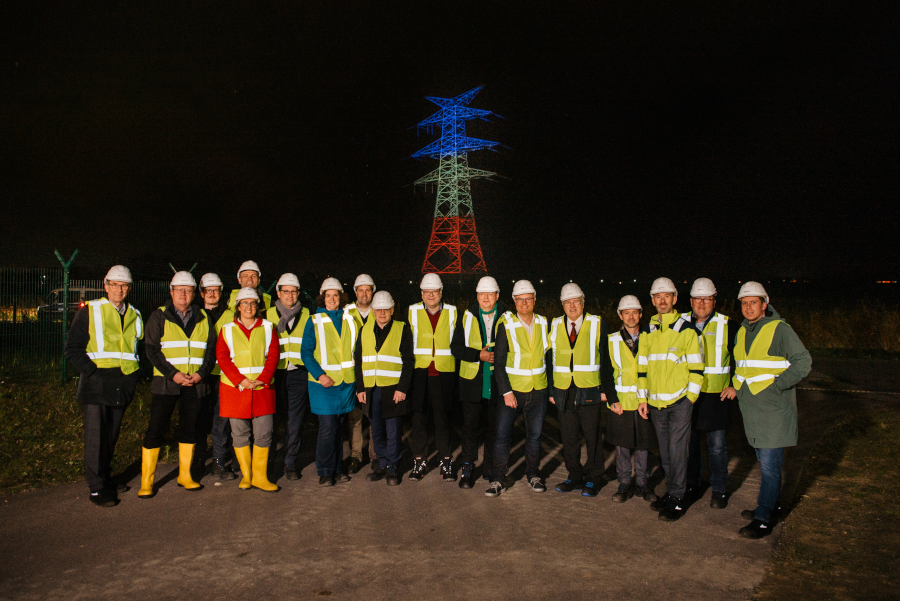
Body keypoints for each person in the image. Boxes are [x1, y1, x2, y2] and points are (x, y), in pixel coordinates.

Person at [734, 282, 811, 539]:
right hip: (754, 411)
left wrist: (778, 386)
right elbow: (744, 367)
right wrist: (735, 387)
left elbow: (803, 362)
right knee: (765, 463)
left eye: (753, 302)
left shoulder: (779, 329)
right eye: (744, 303)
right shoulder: (744, 331)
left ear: (764, 304)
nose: (748, 307)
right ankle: (772, 505)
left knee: (769, 466)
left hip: (774, 412)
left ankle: (764, 518)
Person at [64, 265, 143, 507]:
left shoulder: (135, 314)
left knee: (110, 436)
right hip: (97, 382)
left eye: (124, 285)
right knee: (96, 438)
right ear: (105, 286)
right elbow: (72, 349)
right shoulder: (91, 310)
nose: (119, 289)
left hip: (122, 381)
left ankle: (105, 477)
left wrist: (132, 378)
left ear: (129, 288)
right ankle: (97, 488)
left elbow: (134, 350)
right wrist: (91, 372)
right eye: (114, 284)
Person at [138, 272, 217, 498]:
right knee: (156, 430)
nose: (183, 294)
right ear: (171, 292)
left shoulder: (203, 317)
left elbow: (210, 351)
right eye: (179, 290)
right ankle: (147, 482)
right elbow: (151, 350)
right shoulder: (158, 316)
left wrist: (201, 374)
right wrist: (173, 374)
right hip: (166, 383)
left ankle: (185, 475)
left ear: (194, 293)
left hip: (194, 383)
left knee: (189, 429)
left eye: (188, 290)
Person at [637, 277, 704, 521]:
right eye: (658, 296)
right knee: (665, 451)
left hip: (679, 404)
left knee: (678, 451)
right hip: (656, 405)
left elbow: (697, 369)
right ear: (652, 301)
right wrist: (642, 399)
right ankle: (672, 492)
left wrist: (690, 398)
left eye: (667, 296)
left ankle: (678, 498)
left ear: (675, 299)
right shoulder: (647, 331)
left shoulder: (687, 330)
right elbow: (641, 368)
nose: (662, 300)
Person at [547, 283, 614, 497]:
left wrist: (605, 389)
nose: (572, 305)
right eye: (567, 302)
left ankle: (594, 478)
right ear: (563, 305)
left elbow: (606, 359)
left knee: (592, 435)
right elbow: (550, 360)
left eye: (576, 301)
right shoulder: (555, 325)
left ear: (583, 303)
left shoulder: (597, 324)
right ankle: (574, 476)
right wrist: (551, 390)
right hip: (563, 390)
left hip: (589, 389)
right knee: (569, 437)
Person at [487, 280, 550, 497]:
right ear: (514, 301)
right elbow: (499, 362)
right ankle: (497, 478)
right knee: (503, 436)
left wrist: (547, 390)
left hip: (538, 390)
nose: (524, 303)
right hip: (512, 392)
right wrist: (506, 392)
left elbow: (547, 357)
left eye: (528, 299)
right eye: (520, 299)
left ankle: (533, 474)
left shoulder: (543, 323)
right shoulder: (505, 324)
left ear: (534, 300)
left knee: (534, 436)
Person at [216, 287, 280, 492]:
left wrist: (262, 379)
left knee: (264, 433)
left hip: (262, 388)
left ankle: (260, 477)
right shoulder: (227, 329)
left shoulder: (269, 327)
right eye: (244, 303)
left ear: (258, 306)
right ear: (238, 306)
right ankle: (247, 476)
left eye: (253, 303)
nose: (249, 307)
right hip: (235, 389)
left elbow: (273, 355)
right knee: (239, 434)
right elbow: (223, 358)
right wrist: (240, 380)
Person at [681, 278, 736, 509]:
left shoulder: (728, 325)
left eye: (707, 299)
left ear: (715, 301)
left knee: (717, 446)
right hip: (688, 395)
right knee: (690, 445)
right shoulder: (679, 323)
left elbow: (740, 359)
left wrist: (736, 384)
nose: (702, 303)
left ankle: (719, 489)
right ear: (691, 301)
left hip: (717, 396)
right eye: (697, 299)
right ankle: (693, 485)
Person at [450, 276, 506, 489]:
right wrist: (477, 355)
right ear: (477, 296)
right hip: (472, 382)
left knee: (494, 428)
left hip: (496, 381)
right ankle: (467, 466)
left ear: (497, 296)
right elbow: (456, 348)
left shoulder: (507, 317)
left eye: (490, 294)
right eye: (482, 294)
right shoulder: (467, 317)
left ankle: (490, 466)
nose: (485, 297)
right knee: (470, 428)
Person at [301, 278, 358, 486]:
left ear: (341, 297)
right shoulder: (313, 321)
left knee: (339, 428)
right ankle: (325, 471)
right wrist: (320, 375)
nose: (332, 299)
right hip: (323, 384)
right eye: (328, 295)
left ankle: (337, 468)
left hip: (345, 384)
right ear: (322, 298)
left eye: (336, 295)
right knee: (327, 428)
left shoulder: (350, 319)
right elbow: (306, 353)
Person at [354, 291, 414, 486]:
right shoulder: (364, 330)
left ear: (392, 310)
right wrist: (360, 388)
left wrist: (402, 388)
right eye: (378, 309)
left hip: (393, 389)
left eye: (386, 309)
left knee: (393, 430)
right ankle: (381, 463)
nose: (382, 313)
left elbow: (408, 361)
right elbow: (359, 360)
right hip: (371, 390)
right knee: (377, 430)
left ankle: (393, 467)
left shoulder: (402, 328)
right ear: (372, 311)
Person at [606, 295, 659, 504]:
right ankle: (624, 483)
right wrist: (612, 399)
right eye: (626, 313)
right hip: (621, 401)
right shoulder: (611, 340)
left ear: (641, 314)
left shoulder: (650, 338)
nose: (630, 316)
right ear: (620, 315)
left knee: (643, 445)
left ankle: (643, 484)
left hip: (644, 401)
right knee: (622, 446)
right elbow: (607, 371)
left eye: (634, 312)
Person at [407, 273, 458, 482]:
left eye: (434, 291)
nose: (431, 295)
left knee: (442, 420)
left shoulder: (454, 312)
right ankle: (419, 462)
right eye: (427, 292)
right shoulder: (412, 311)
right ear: (421, 293)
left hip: (444, 374)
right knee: (418, 420)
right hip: (420, 373)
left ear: (440, 292)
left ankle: (446, 462)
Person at [265, 273, 311, 481]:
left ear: (298, 293)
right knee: (272, 420)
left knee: (295, 421)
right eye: (286, 291)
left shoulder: (308, 314)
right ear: (278, 292)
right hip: (275, 373)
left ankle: (290, 463)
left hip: (299, 374)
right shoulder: (267, 315)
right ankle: (268, 463)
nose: (290, 295)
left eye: (294, 291)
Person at [194, 272, 238, 480]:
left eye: (216, 291)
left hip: (224, 375)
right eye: (208, 291)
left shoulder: (231, 315)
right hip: (200, 375)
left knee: (222, 421)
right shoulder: (193, 314)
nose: (212, 294)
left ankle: (219, 463)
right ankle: (198, 463)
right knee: (200, 420)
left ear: (221, 293)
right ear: (201, 293)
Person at [345, 273, 377, 474]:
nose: (364, 294)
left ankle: (375, 455)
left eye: (368, 289)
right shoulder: (345, 312)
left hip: (374, 371)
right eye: (360, 289)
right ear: (355, 292)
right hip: (352, 372)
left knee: (374, 415)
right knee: (355, 417)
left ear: (372, 291)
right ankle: (356, 455)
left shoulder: (379, 310)